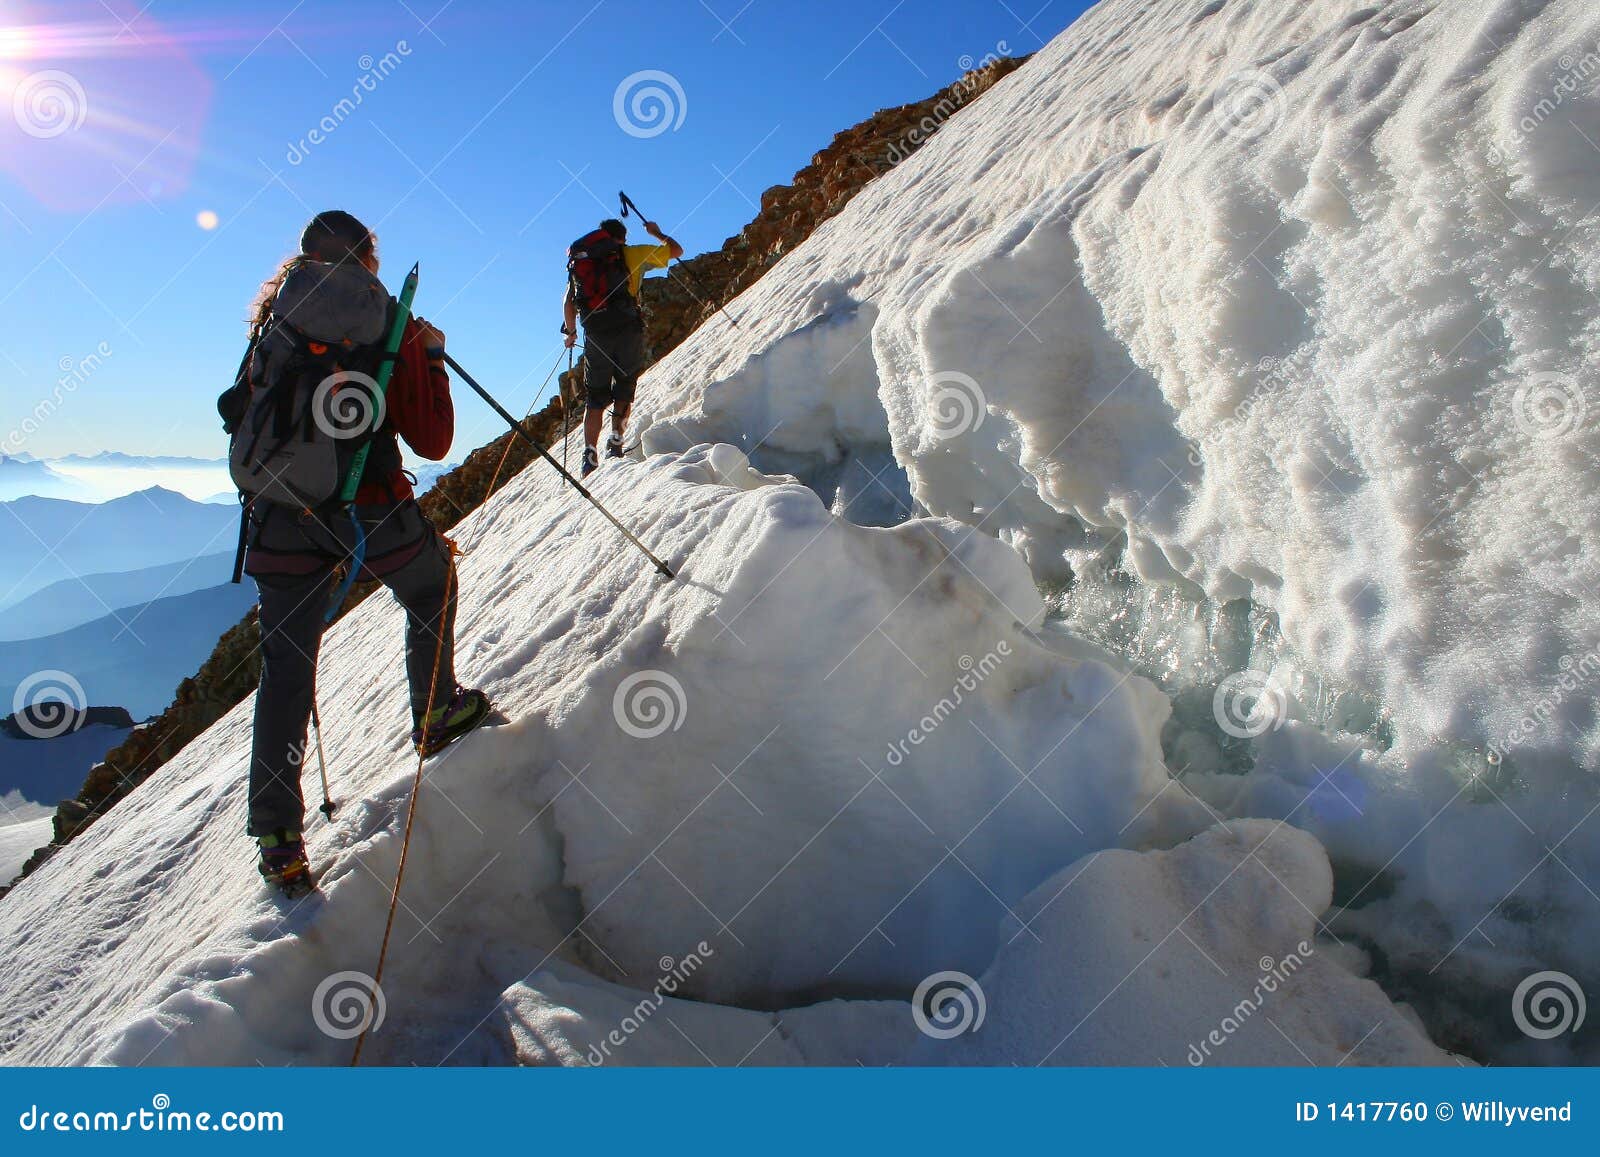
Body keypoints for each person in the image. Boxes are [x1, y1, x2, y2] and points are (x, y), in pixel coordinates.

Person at [232, 210, 490, 896]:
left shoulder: (276, 318)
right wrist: (429, 355)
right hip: (367, 504)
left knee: (287, 667)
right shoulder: (385, 317)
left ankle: (280, 840)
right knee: (431, 584)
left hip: (281, 517)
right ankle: (435, 711)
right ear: (369, 261)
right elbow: (433, 440)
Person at [562, 216, 683, 476]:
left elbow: (568, 302)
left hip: (595, 334)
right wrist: (657, 232)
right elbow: (676, 251)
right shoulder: (630, 254)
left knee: (595, 396)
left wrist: (571, 332)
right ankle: (616, 442)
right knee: (625, 387)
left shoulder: (583, 263)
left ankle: (590, 453)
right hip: (628, 330)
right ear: (621, 239)